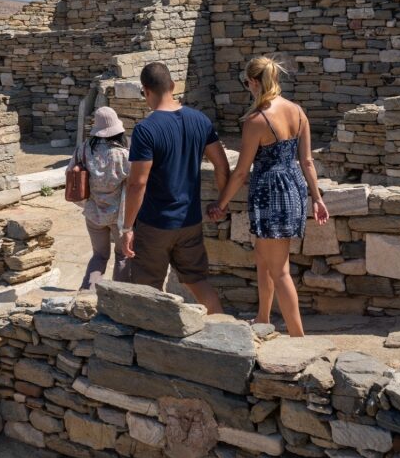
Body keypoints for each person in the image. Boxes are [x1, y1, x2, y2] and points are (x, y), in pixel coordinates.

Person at [208, 56, 329, 336]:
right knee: (263, 259)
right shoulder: (298, 111)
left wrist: (220, 204)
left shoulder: (256, 120)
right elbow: (307, 161)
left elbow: (240, 172)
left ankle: (299, 337)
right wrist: (316, 197)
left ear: (252, 82)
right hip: (294, 188)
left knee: (280, 270)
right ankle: (263, 319)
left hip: (271, 195)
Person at [119, 62, 230, 314]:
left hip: (155, 224)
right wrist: (221, 203)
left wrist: (127, 227)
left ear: (146, 91)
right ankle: (225, 330)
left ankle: (151, 344)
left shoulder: (146, 130)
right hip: (190, 221)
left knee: (148, 288)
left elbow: (138, 183)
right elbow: (222, 167)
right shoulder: (200, 120)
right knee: (198, 281)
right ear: (172, 86)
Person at [67, 106, 131, 290]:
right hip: (120, 216)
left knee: (99, 256)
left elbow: (70, 174)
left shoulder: (84, 150)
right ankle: (119, 297)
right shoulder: (123, 155)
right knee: (123, 256)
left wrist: (84, 203)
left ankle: (87, 294)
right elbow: (136, 185)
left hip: (93, 214)